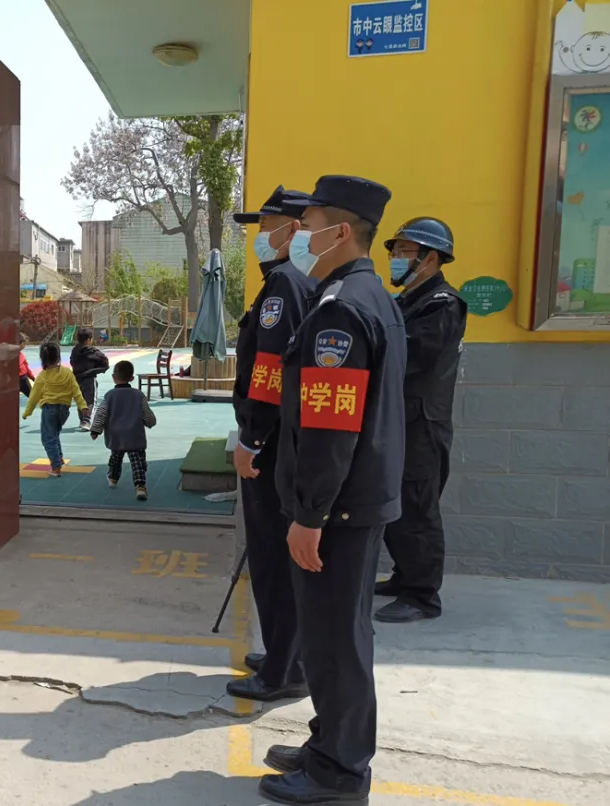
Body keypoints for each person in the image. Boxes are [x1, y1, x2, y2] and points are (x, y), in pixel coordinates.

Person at [263, 175, 406, 806]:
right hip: (353, 502)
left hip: (337, 509)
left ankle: (338, 774)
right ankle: (329, 743)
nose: (298, 234)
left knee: (336, 641)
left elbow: (328, 426)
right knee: (336, 635)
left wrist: (309, 513)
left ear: (339, 231)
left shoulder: (342, 308)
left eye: (310, 222)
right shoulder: (363, 295)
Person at [228, 186, 318, 702]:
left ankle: (284, 669)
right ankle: (288, 654)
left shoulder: (284, 283)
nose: (260, 236)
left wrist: (251, 438)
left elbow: (268, 372)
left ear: (292, 228)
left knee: (270, 557)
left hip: (272, 447)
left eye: (266, 226)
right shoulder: (299, 279)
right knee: (278, 559)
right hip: (288, 442)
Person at [374, 218, 467, 623]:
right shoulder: (408, 300)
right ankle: (403, 576)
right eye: (394, 252)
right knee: (395, 502)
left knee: (417, 508)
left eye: (403, 252)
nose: (395, 259)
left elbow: (407, 354)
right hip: (401, 421)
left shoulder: (442, 304)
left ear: (430, 258)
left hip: (422, 425)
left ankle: (422, 595)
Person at [89, 360, 157, 500]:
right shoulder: (138, 395)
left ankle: (113, 479)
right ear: (132, 378)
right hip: (134, 435)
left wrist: (96, 430)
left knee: (115, 458)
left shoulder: (109, 396)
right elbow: (147, 414)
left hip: (116, 436)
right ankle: (140, 487)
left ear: (114, 377)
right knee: (137, 461)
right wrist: (150, 422)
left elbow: (101, 413)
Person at [22, 342, 87, 477]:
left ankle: (56, 467)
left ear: (43, 359)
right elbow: (76, 391)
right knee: (55, 434)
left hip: (49, 410)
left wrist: (27, 411)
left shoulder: (42, 376)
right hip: (64, 410)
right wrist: (82, 406)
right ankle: (60, 458)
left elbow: (34, 395)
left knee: (48, 438)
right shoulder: (67, 372)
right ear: (58, 356)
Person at [69, 327, 109, 430]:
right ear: (88, 340)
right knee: (90, 401)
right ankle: (86, 421)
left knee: (80, 400)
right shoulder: (92, 351)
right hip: (89, 379)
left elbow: (71, 362)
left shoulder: (74, 351)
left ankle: (82, 420)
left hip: (76, 379)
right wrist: (95, 369)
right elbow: (105, 362)